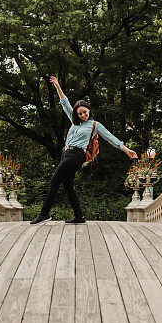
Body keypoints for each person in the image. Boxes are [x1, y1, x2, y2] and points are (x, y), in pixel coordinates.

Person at [30, 76, 138, 224]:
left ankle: (44, 213)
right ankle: (79, 217)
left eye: (85, 112)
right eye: (80, 113)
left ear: (89, 110)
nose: (83, 115)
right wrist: (57, 86)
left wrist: (127, 150)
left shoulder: (94, 125)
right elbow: (64, 103)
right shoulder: (74, 122)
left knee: (55, 180)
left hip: (76, 156)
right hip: (66, 154)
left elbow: (110, 138)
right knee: (67, 185)